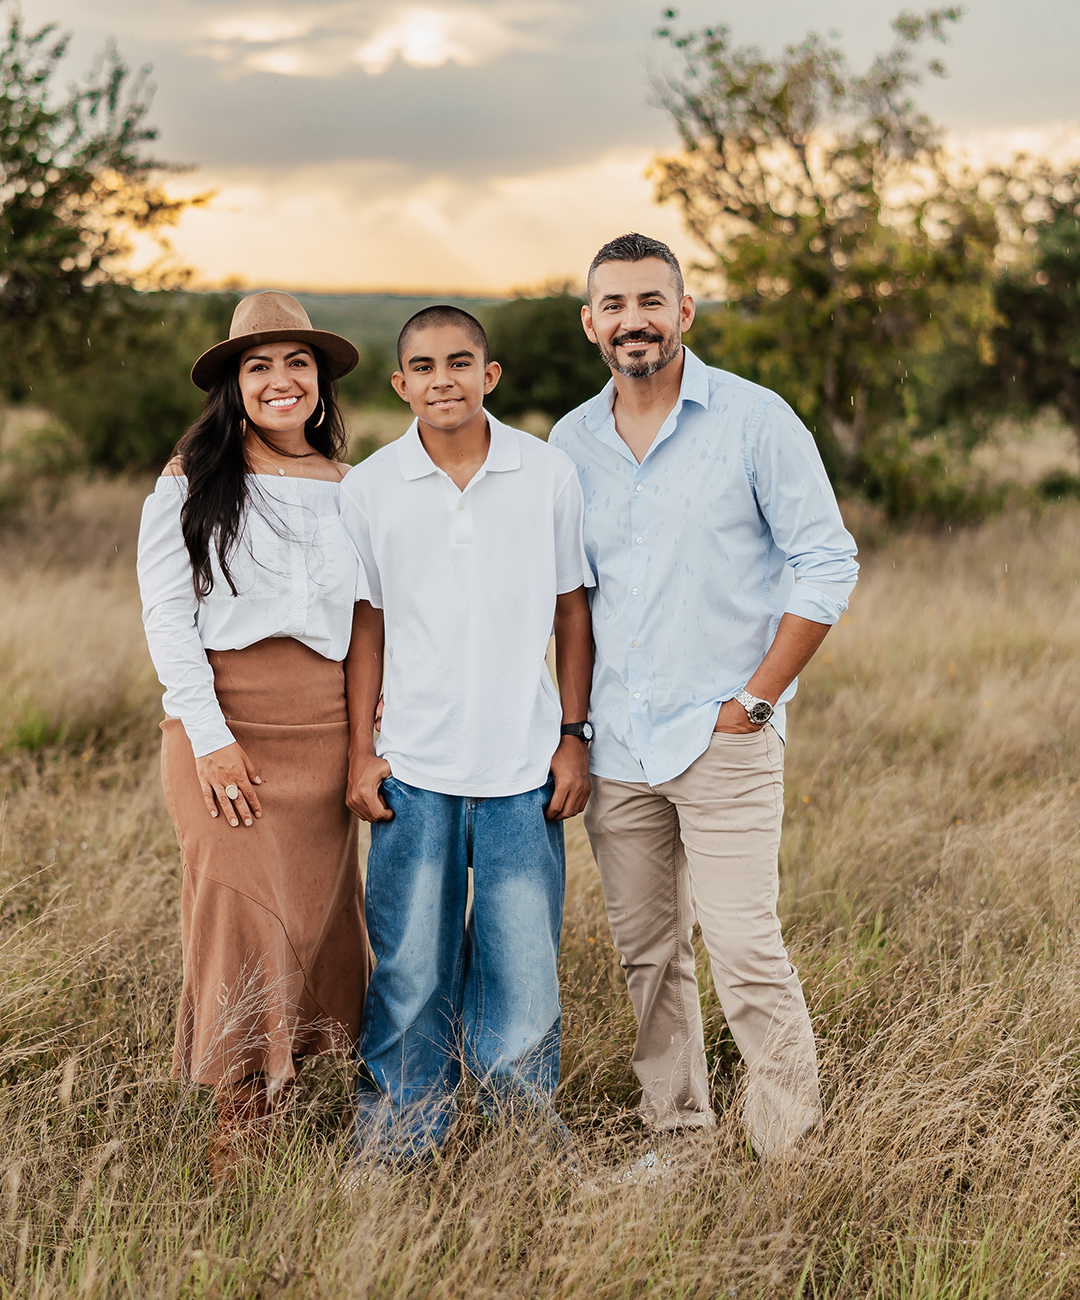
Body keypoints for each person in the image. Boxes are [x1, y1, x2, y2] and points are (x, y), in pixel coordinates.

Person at [549, 233, 859, 1160]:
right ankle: (678, 1137)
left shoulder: (756, 421)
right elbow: (570, 597)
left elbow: (827, 560)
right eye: (613, 305)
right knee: (651, 959)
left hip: (724, 734)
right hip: (620, 746)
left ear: (685, 311)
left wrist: (759, 699)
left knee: (746, 950)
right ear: (589, 324)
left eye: (652, 300)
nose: (632, 320)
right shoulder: (571, 442)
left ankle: (787, 1147)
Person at [339, 305, 596, 1165]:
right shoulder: (370, 488)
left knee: (522, 980)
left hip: (524, 768)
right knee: (411, 972)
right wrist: (359, 754)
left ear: (490, 375)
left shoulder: (545, 472)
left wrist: (573, 734)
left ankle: (526, 1147)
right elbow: (365, 624)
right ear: (399, 383)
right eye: (423, 365)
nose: (441, 379)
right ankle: (400, 1140)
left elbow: (572, 610)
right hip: (414, 765)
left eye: (460, 362)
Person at [135, 291, 373, 1177]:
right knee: (240, 917)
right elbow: (166, 617)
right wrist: (210, 736)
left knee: (315, 922)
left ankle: (296, 1098)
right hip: (226, 726)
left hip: (328, 729)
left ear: (319, 382)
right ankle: (236, 1142)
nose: (281, 380)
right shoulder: (190, 481)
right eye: (259, 365)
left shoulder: (355, 488)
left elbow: (368, 624)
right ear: (235, 384)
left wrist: (365, 741)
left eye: (297, 363)